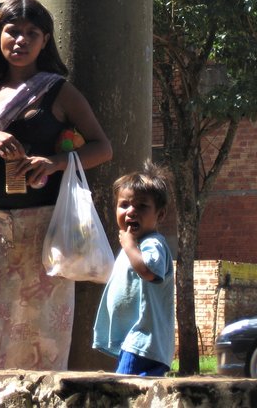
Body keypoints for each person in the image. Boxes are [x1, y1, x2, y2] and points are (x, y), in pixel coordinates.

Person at [0, 0, 112, 370]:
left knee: (42, 335)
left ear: (45, 40)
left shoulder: (59, 91)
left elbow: (103, 148)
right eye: (12, 31)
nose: (20, 40)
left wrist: (55, 163)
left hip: (45, 229)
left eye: (31, 33)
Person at [92, 161, 175, 377]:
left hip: (144, 339)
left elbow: (149, 271)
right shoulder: (135, 244)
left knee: (124, 390)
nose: (131, 212)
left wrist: (129, 246)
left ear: (160, 214)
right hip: (137, 341)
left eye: (141, 206)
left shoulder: (152, 243)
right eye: (124, 205)